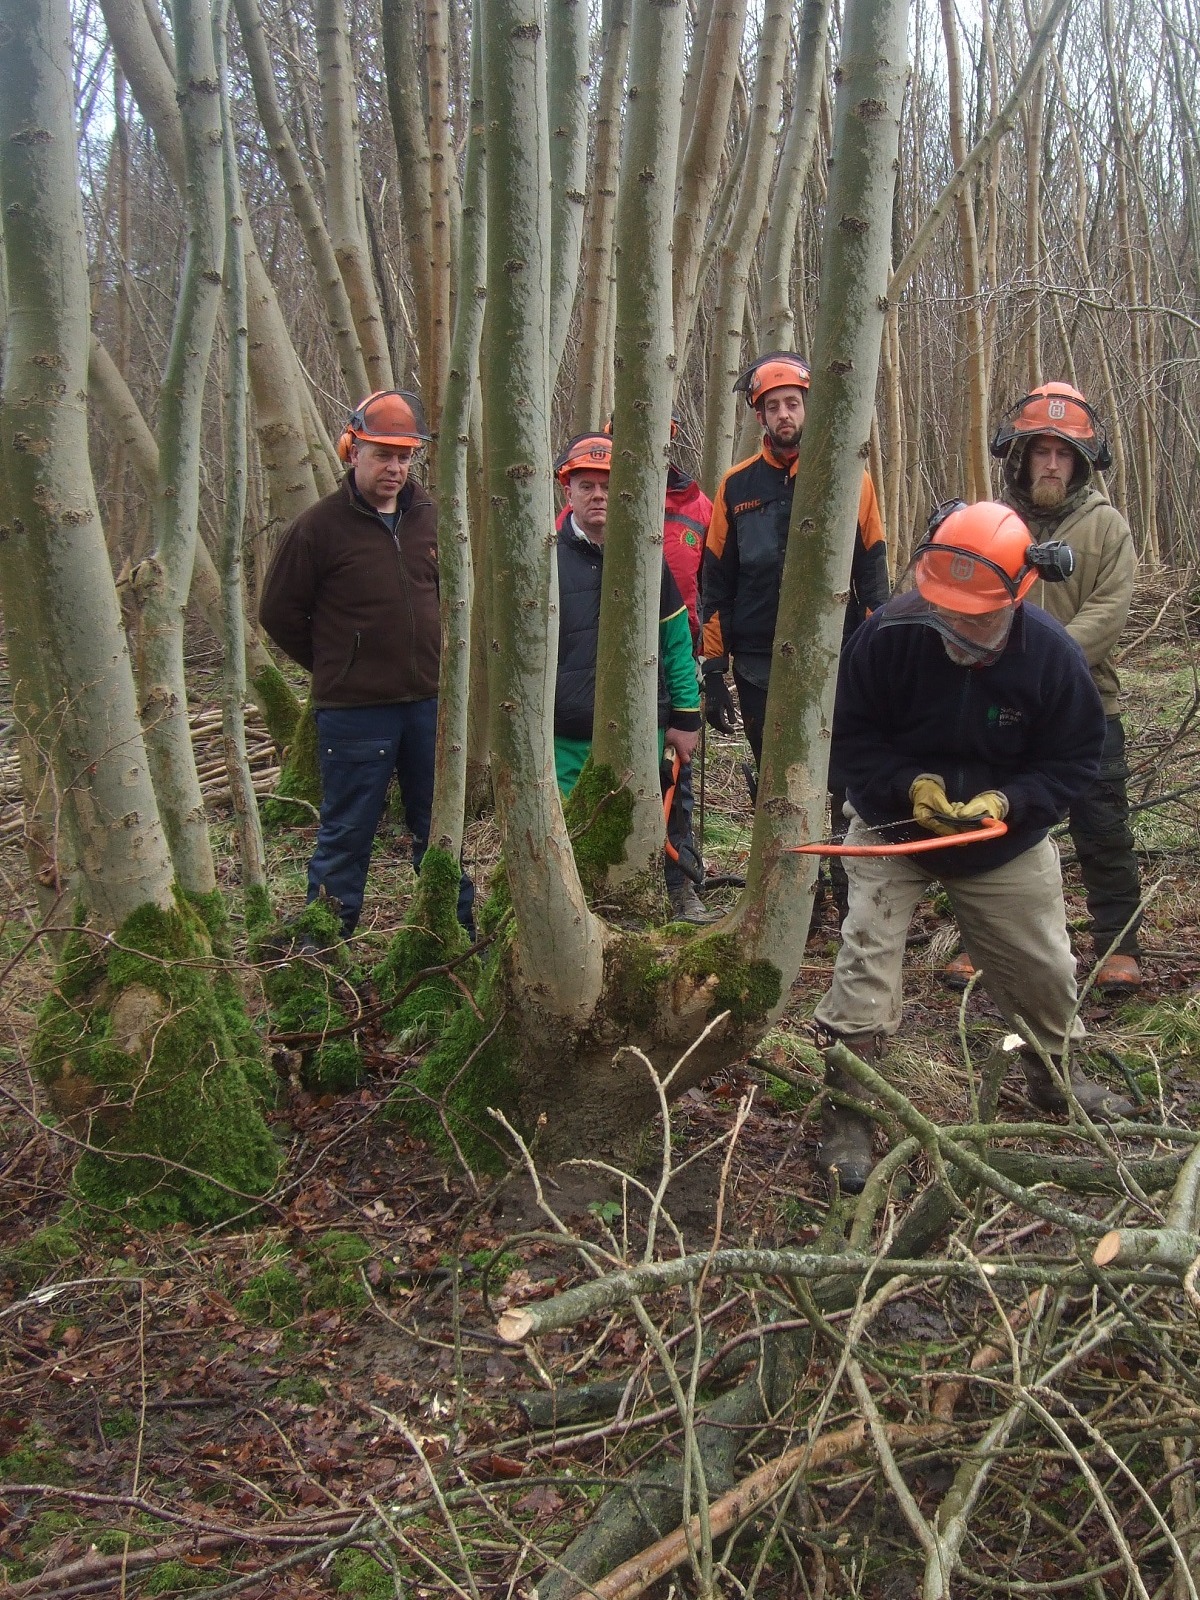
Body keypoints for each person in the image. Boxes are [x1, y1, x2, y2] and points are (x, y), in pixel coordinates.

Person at [812, 499, 1134, 1193]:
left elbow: (1075, 761)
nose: (957, 628)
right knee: (865, 957)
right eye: (945, 613)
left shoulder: (1051, 657)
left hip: (1002, 839)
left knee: (1042, 964)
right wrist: (908, 786)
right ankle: (849, 1109)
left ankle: (1055, 1076)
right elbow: (848, 739)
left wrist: (1008, 803)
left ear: (1018, 594)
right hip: (895, 826)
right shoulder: (886, 637)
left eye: (976, 618)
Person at [944, 382, 1143, 993]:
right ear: (1021, 456)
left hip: (1088, 703)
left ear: (1081, 462)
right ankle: (986, 941)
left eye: (1063, 453)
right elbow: (967, 597)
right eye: (1041, 451)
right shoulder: (994, 524)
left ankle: (1118, 945)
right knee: (993, 820)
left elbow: (1107, 613)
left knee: (1102, 824)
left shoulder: (1106, 528)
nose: (1051, 464)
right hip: (1001, 703)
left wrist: (1043, 668)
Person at [259, 388, 474, 938]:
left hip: (429, 705)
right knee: (347, 834)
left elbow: (452, 598)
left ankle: (452, 936)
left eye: (404, 456)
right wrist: (338, 664)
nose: (395, 468)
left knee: (439, 831)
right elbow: (278, 613)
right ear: (354, 451)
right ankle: (324, 946)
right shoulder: (318, 528)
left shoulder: (432, 517)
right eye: (383, 455)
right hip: (354, 712)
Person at [700, 352, 890, 770]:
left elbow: (873, 575)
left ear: (809, 407)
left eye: (792, 403)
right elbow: (715, 582)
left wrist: (876, 652)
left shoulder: (849, 479)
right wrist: (713, 670)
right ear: (760, 417)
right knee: (772, 770)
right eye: (772, 406)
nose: (783, 414)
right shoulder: (736, 485)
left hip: (834, 652)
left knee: (839, 772)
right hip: (757, 658)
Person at [552, 432, 706, 918]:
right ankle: (578, 910)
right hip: (567, 730)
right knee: (571, 827)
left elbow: (676, 643)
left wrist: (686, 717)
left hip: (645, 727)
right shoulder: (546, 559)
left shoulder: (647, 557)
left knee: (664, 814)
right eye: (587, 486)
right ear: (568, 490)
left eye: (607, 486)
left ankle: (679, 893)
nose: (598, 496)